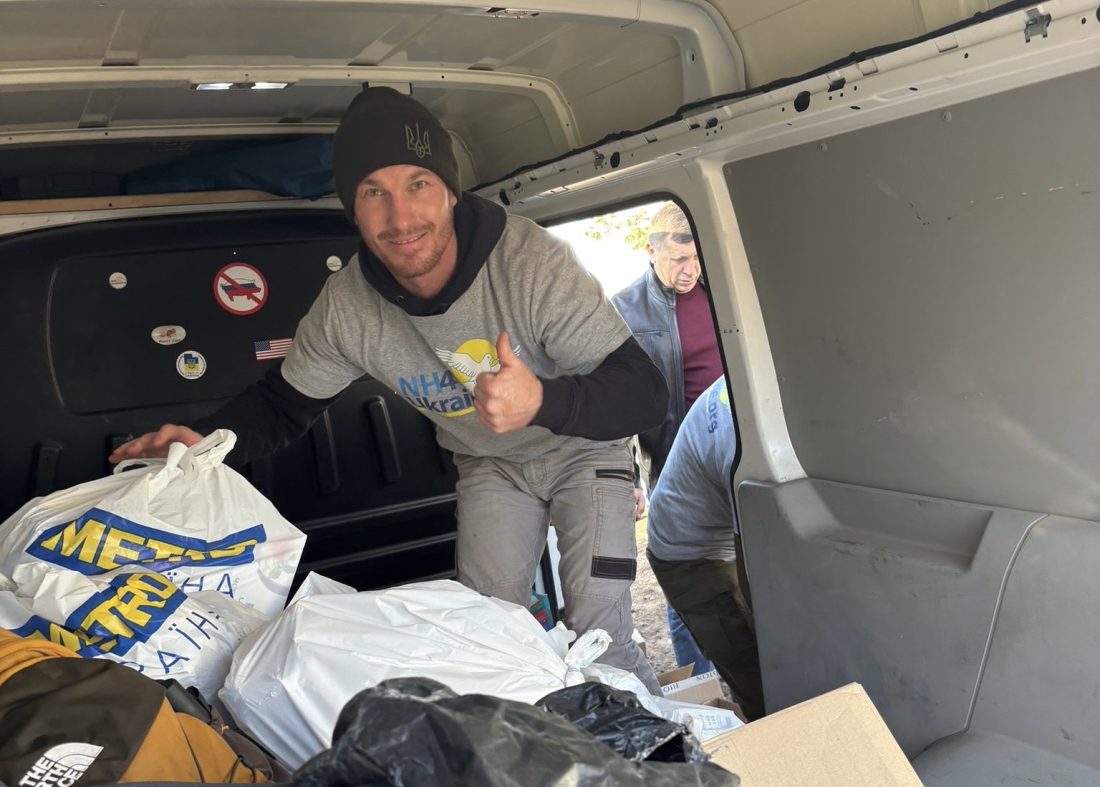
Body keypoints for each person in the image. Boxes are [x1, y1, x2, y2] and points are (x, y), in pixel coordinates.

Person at [110, 86, 667, 690]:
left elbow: (643, 392)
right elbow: (283, 404)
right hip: (489, 463)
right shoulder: (348, 307)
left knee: (597, 634)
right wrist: (206, 440)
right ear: (352, 206)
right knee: (486, 632)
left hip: (582, 450)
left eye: (417, 185)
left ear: (450, 190)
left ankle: (666, 764)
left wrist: (544, 401)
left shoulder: (531, 263)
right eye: (374, 192)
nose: (400, 218)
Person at [613, 200, 724, 675]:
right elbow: (615, 407)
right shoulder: (624, 310)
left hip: (740, 450)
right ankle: (702, 689)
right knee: (690, 585)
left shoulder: (723, 288)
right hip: (678, 461)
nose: (690, 270)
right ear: (651, 251)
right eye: (679, 259)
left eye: (697, 257)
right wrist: (630, 477)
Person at [645, 376, 765, 721]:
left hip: (717, 531)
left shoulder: (751, 382)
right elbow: (763, 571)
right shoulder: (741, 444)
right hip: (687, 557)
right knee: (760, 672)